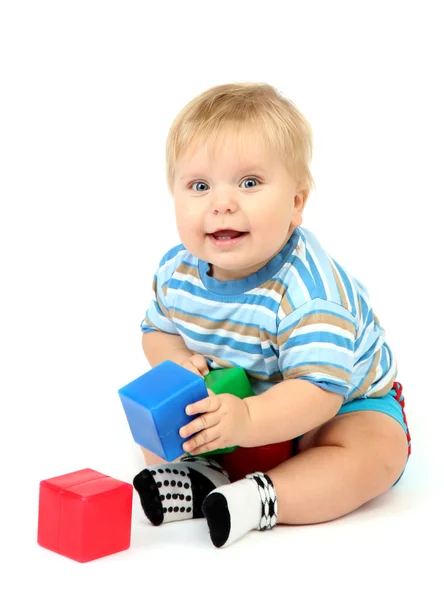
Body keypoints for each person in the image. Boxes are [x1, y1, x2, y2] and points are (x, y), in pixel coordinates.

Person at [132, 82, 411, 549]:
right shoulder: (176, 272)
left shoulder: (309, 294)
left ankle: (266, 497)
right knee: (163, 415)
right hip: (239, 407)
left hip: (336, 406)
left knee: (378, 451)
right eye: (199, 186)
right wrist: (176, 363)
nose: (222, 203)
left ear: (297, 203)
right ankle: (205, 474)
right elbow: (155, 331)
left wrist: (246, 419)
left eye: (249, 183)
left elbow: (318, 393)